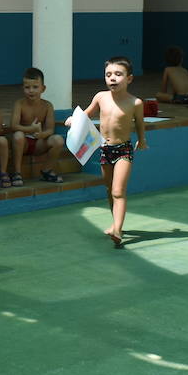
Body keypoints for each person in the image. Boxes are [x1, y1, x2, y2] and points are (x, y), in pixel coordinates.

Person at [68, 56, 147, 248]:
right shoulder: (100, 97)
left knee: (118, 191)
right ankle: (115, 224)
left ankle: (118, 230)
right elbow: (87, 113)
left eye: (118, 74)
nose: (112, 78)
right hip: (105, 149)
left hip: (124, 150)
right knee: (109, 190)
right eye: (108, 74)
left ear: (129, 78)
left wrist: (142, 141)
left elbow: (140, 125)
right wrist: (74, 119)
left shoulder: (135, 103)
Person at [9, 67, 67, 183]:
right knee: (18, 135)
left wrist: (41, 134)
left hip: (39, 142)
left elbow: (50, 129)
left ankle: (47, 170)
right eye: (27, 87)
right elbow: (13, 126)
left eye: (35, 87)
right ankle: (17, 172)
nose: (31, 90)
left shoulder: (47, 106)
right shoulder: (19, 104)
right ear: (23, 88)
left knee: (58, 140)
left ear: (43, 88)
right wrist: (30, 129)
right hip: (23, 143)